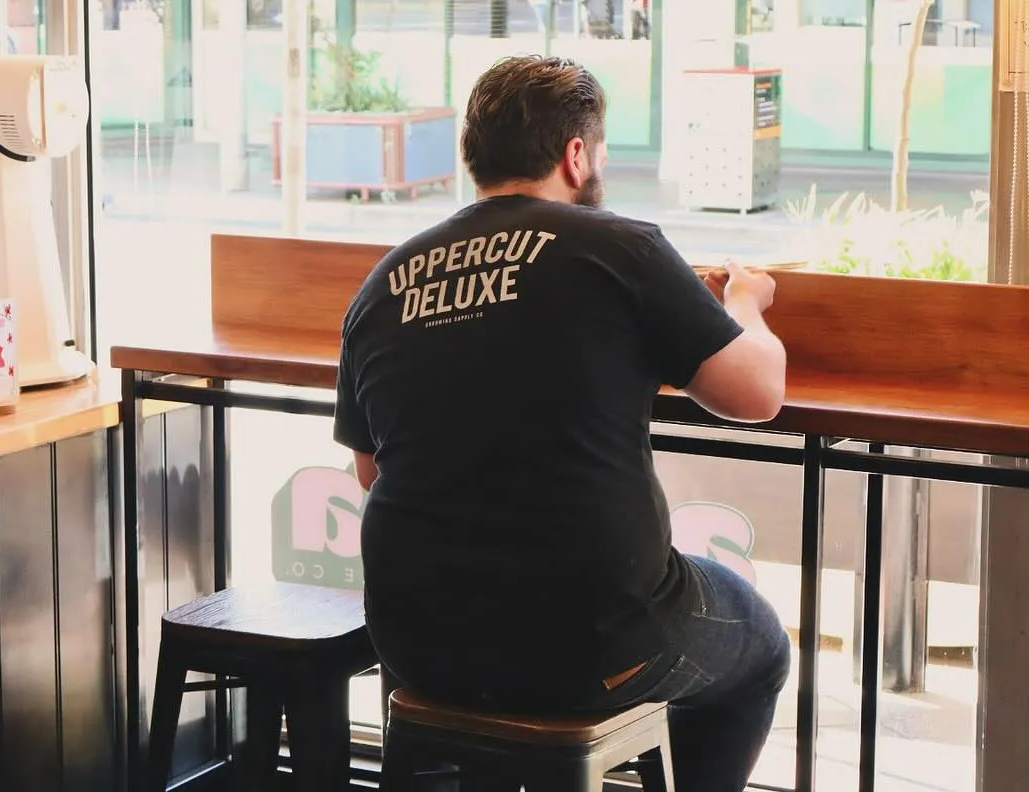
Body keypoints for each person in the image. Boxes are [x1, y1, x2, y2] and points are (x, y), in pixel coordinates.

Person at [334, 55, 791, 792]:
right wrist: (747, 303)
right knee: (761, 648)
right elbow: (757, 391)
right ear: (574, 154)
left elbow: (370, 471)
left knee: (502, 651)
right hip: (595, 646)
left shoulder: (385, 282)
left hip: (418, 645)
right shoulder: (619, 247)